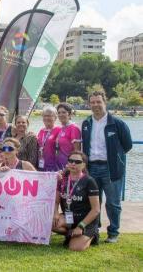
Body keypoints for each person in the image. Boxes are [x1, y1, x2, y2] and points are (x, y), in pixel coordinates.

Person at [81, 90, 132, 243]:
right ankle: (94, 230)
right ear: (89, 104)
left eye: (98, 102)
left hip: (111, 169)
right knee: (93, 202)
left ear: (105, 102)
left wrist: (115, 158)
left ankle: (113, 233)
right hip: (92, 168)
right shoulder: (86, 123)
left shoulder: (117, 123)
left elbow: (127, 145)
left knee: (113, 203)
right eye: (93, 102)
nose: (96, 105)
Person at [52, 152, 100, 251]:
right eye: (71, 161)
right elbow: (56, 201)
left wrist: (81, 226)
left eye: (77, 162)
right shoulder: (62, 180)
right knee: (51, 223)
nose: (73, 164)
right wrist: (56, 213)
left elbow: (96, 210)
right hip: (69, 218)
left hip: (86, 221)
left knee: (75, 247)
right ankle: (72, 233)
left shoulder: (89, 181)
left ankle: (93, 234)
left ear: (83, 165)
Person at [55, 103, 82, 170]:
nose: (61, 115)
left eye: (64, 112)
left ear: (69, 114)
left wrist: (70, 167)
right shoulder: (62, 128)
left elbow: (77, 152)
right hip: (60, 166)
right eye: (59, 113)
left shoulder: (74, 128)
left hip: (69, 167)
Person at [36, 105, 62, 171]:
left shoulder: (59, 129)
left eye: (49, 116)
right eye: (45, 116)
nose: (47, 118)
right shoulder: (41, 131)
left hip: (54, 166)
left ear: (55, 117)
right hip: (41, 164)